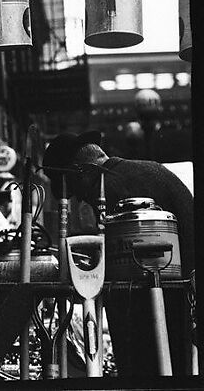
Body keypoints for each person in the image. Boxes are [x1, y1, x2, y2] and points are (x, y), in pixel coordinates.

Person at [43, 131, 194, 376]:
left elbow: (120, 266)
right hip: (177, 294)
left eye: (74, 188)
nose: (80, 197)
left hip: (159, 302)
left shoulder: (111, 187)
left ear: (83, 170)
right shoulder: (142, 169)